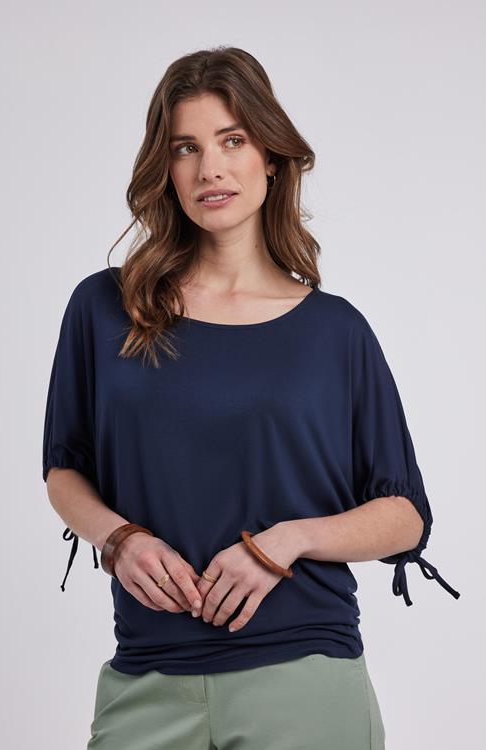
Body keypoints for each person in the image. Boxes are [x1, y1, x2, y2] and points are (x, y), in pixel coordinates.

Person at [42, 46, 460, 750]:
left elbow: (404, 517)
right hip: (147, 677)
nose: (210, 168)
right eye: (186, 147)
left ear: (270, 156)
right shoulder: (106, 308)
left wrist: (285, 541)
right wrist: (118, 539)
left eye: (232, 140)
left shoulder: (334, 332)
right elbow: (64, 469)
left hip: (304, 679)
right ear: (165, 168)